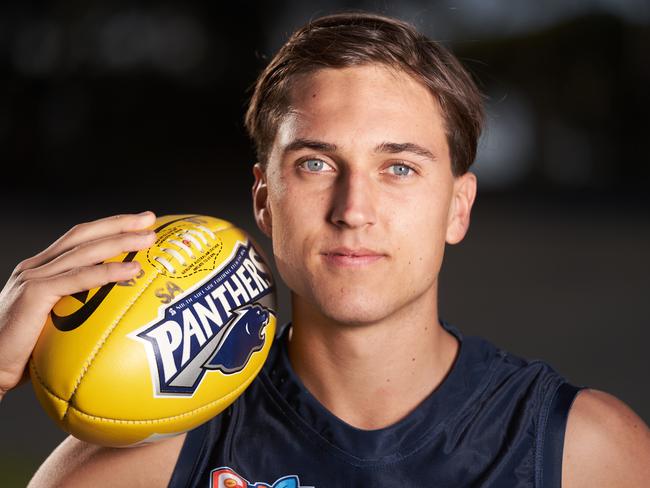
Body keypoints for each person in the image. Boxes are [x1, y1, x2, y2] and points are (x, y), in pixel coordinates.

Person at [1, 12, 648, 488]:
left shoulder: (582, 452)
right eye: (314, 163)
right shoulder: (142, 465)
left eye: (398, 168)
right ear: (263, 200)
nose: (353, 210)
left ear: (458, 206)